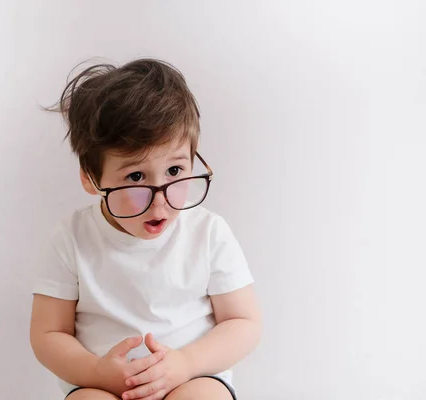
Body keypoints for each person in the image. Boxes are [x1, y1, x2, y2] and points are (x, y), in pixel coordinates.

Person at [30, 58, 261, 400]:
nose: (160, 199)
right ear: (91, 178)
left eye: (175, 171)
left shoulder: (208, 232)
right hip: (102, 386)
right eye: (135, 177)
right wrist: (97, 372)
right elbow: (48, 333)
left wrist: (185, 363)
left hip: (191, 380)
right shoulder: (72, 238)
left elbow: (244, 323)